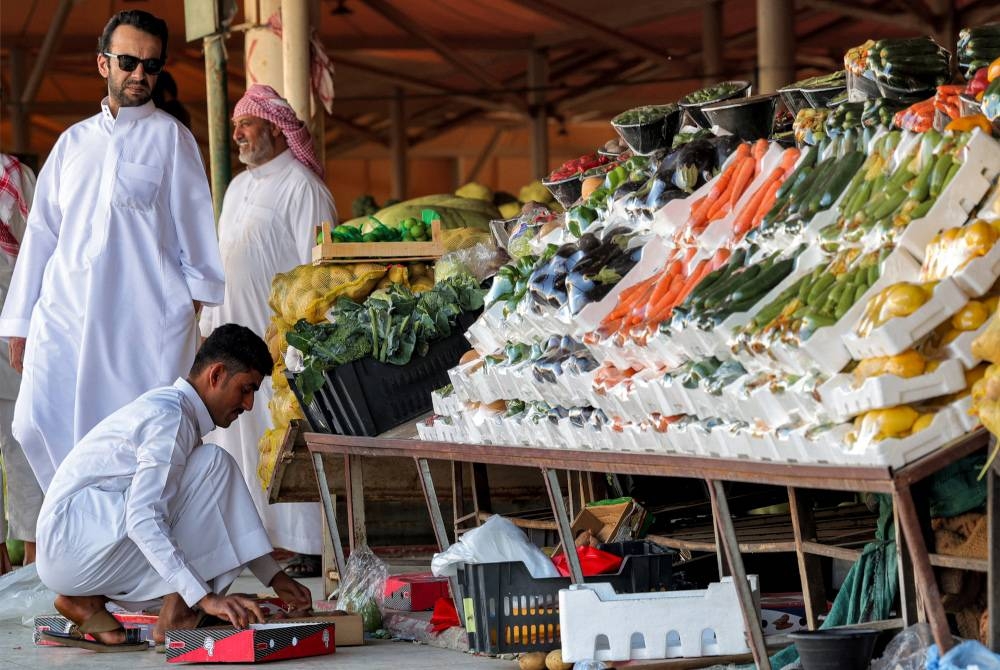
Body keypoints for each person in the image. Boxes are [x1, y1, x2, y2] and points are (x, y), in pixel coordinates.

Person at [0, 10, 225, 491]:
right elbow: (41, 234)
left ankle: (119, 540)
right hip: (64, 318)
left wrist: (185, 316)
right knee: (34, 422)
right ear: (103, 64)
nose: (139, 74)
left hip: (139, 327)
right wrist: (21, 324)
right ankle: (77, 519)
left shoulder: (172, 139)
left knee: (125, 443)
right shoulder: (72, 142)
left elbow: (198, 238)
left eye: (151, 65)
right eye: (128, 61)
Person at [36, 324, 312, 652]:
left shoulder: (172, 410)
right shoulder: (172, 418)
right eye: (246, 389)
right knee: (214, 466)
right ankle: (179, 613)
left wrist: (275, 578)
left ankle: (86, 600)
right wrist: (205, 598)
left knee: (211, 467)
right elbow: (143, 518)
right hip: (73, 546)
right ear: (217, 374)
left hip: (72, 548)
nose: (249, 404)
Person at [200, 84, 336, 577]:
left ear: (276, 130)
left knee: (283, 442)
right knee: (236, 444)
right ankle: (248, 543)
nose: (236, 134)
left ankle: (302, 545)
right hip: (230, 344)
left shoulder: (304, 188)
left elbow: (318, 273)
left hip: (281, 345)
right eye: (235, 125)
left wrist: (301, 343)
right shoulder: (237, 188)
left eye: (246, 124)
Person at [0, 154, 44, 572]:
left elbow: (36, 252)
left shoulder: (11, 174)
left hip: (9, 322)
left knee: (20, 437)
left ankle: (33, 558)